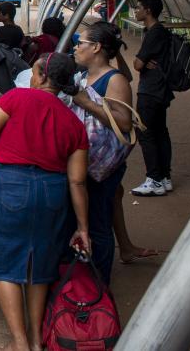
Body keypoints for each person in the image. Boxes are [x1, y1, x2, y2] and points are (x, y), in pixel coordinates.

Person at [0, 53, 91, 351]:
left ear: (39, 75)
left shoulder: (17, 98)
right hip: (53, 192)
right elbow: (77, 180)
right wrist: (83, 228)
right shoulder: (73, 123)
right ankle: (37, 339)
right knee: (40, 265)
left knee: (4, 265)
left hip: (9, 186)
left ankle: (19, 341)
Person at [69, 21, 136, 284]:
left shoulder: (114, 79)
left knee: (99, 222)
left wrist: (87, 103)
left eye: (81, 43)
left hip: (104, 166)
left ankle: (100, 285)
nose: (76, 48)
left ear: (96, 47)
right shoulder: (83, 76)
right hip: (83, 160)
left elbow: (124, 122)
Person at [130, 0, 174, 196]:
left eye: (138, 7)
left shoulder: (154, 32)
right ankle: (164, 177)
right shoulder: (159, 31)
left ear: (148, 10)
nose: (136, 11)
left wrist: (142, 62)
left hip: (150, 90)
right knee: (160, 132)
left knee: (145, 133)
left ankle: (154, 179)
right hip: (161, 89)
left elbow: (138, 64)